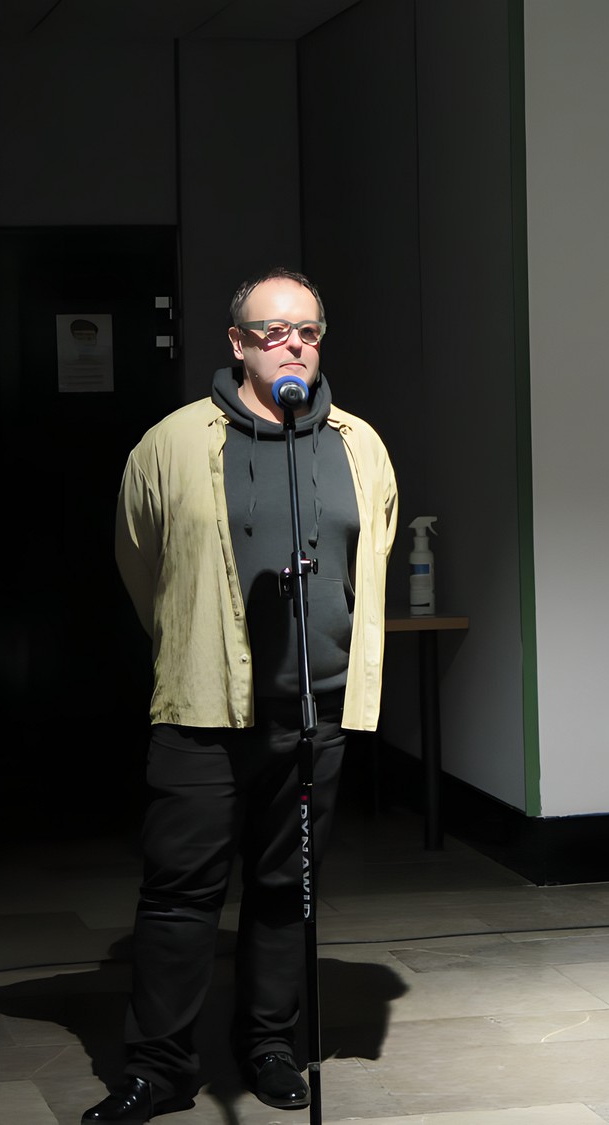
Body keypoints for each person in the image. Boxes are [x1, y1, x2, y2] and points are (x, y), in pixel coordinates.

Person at [87, 268, 398, 1123]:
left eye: (307, 330)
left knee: (286, 888)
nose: (291, 343)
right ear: (237, 343)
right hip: (204, 711)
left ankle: (270, 1044)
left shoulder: (359, 444)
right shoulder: (172, 442)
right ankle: (158, 1067)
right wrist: (196, 645)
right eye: (271, 330)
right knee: (180, 892)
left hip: (315, 711)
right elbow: (141, 561)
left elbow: (369, 555)